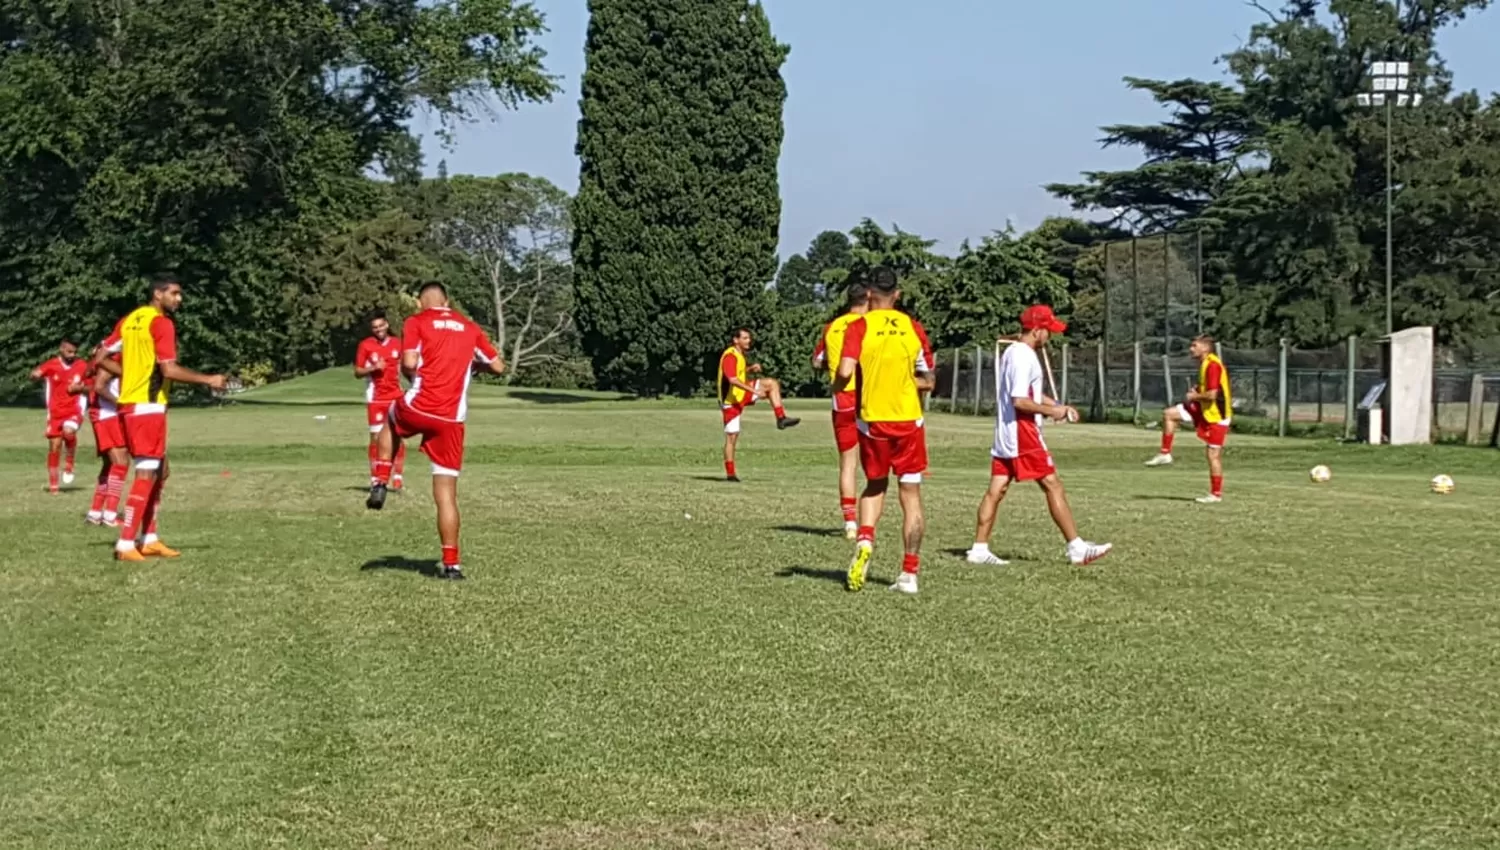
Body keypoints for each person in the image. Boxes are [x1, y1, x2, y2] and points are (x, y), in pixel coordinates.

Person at [366, 281, 504, 581]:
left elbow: (410, 361)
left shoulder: (416, 322)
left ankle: (380, 479)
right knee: (446, 494)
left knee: (390, 417)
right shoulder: (469, 327)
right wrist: (470, 367)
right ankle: (452, 565)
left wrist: (413, 373)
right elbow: (498, 367)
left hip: (421, 405)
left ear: (420, 302)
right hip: (452, 419)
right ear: (447, 299)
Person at [964, 305, 1112, 567]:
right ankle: (1076, 547)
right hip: (1023, 432)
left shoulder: (1012, 352)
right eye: (1048, 330)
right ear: (1036, 330)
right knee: (1052, 484)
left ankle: (979, 548)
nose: (1050, 336)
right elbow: (1020, 400)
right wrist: (1051, 410)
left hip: (1006, 432)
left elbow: (1027, 394)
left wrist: (1057, 407)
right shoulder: (1024, 357)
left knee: (997, 489)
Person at [98, 274, 228, 562]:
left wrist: (130, 374)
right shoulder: (161, 323)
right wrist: (209, 379)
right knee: (145, 473)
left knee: (161, 470)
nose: (179, 299)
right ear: (158, 294)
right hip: (147, 406)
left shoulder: (131, 319)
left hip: (133, 405)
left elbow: (99, 355)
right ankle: (126, 544)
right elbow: (169, 370)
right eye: (174, 293)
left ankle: (150, 538)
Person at [837, 267, 934, 595]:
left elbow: (845, 370)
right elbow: (929, 380)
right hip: (909, 421)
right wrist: (909, 383)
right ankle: (909, 573)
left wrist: (839, 384)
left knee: (875, 484)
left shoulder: (859, 326)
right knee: (910, 495)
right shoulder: (913, 327)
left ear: (868, 295)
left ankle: (865, 539)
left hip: (872, 421)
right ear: (898, 294)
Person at [811, 282, 870, 537]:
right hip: (869, 396)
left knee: (848, 462)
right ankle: (870, 518)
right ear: (868, 298)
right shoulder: (870, 326)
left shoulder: (832, 327)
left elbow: (817, 361)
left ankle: (849, 522)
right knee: (875, 460)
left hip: (842, 397)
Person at [1144, 334, 1231, 503]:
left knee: (1213, 455)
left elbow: (1213, 395)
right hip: (1203, 409)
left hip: (1216, 416)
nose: (1191, 349)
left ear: (1205, 347)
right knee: (1169, 414)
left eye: (1194, 345)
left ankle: (1216, 494)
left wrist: (1195, 396)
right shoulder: (1205, 363)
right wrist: (1197, 391)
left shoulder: (1213, 365)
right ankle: (1165, 453)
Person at [718, 328, 800, 482]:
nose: (749, 340)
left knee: (771, 384)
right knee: (732, 438)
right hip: (731, 401)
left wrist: (750, 369)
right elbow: (732, 380)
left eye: (749, 338)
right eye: (745, 338)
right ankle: (730, 474)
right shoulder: (730, 356)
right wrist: (752, 389)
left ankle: (781, 418)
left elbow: (739, 374)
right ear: (736, 340)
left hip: (741, 394)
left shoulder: (739, 355)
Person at [354, 312, 407, 491]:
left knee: (397, 436)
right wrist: (373, 368)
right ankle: (375, 478)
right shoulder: (366, 345)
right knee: (376, 438)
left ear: (386, 325)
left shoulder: (397, 344)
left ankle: (397, 476)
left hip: (396, 396)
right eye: (375, 327)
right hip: (376, 397)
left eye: (381, 325)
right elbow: (357, 371)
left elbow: (407, 365)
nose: (378, 329)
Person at [29, 339, 89, 493]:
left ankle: (69, 463)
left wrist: (81, 388)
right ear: (61, 349)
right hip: (55, 412)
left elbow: (92, 385)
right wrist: (35, 375)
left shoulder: (82, 365)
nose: (72, 355)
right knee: (54, 446)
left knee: (68, 431)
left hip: (74, 409)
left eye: (75, 352)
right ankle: (54, 485)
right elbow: (35, 373)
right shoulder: (51, 365)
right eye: (69, 351)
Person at [83, 353, 130, 527]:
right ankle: (110, 515)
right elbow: (99, 386)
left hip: (106, 414)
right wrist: (121, 402)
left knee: (110, 464)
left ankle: (95, 513)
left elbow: (88, 372)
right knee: (121, 463)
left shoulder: (112, 354)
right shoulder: (115, 356)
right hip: (107, 414)